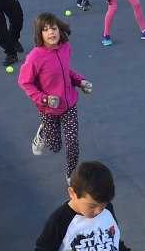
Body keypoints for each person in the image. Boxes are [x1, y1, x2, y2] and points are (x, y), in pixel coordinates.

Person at [19, 12, 93, 181]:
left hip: (69, 105)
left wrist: (80, 82)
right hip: (49, 109)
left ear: (60, 30)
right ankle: (43, 132)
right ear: (40, 34)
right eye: (45, 30)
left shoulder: (65, 48)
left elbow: (65, 72)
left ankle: (71, 173)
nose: (51, 33)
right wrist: (44, 99)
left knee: (73, 142)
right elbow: (25, 82)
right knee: (55, 147)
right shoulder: (35, 57)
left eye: (53, 28)